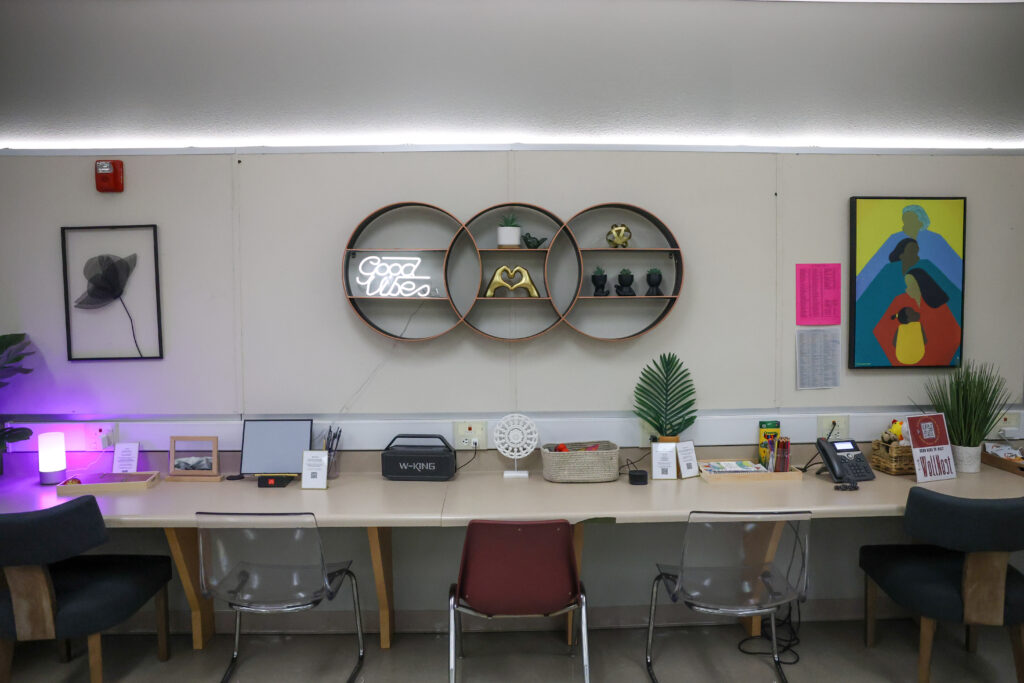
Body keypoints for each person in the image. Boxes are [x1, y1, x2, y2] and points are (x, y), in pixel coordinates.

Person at [855, 204, 963, 300]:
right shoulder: (894, 238)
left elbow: (954, 267)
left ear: (921, 222)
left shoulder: (935, 239)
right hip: (898, 287)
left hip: (930, 291)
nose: (905, 224)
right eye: (904, 221)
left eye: (909, 220)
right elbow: (873, 267)